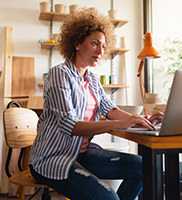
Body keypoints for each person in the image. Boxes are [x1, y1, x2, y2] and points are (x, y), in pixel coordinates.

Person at [29, 7, 163, 200]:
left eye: (103, 46)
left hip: (81, 154)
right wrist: (118, 124)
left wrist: (145, 120)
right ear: (76, 43)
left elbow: (110, 110)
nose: (101, 51)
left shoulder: (92, 79)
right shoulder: (59, 74)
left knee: (145, 168)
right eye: (94, 43)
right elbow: (70, 125)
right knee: (108, 197)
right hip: (51, 158)